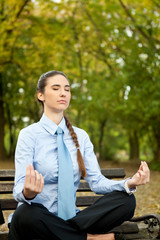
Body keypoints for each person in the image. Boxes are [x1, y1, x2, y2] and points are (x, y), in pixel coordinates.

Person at [8, 70, 150, 240]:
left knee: (127, 200)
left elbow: (96, 182)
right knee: (24, 214)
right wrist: (27, 193)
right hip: (39, 218)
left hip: (73, 220)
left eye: (67, 89)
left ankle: (67, 234)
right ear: (41, 95)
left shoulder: (81, 136)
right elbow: (18, 189)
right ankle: (90, 238)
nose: (63, 93)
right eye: (56, 88)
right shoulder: (28, 135)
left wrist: (129, 183)